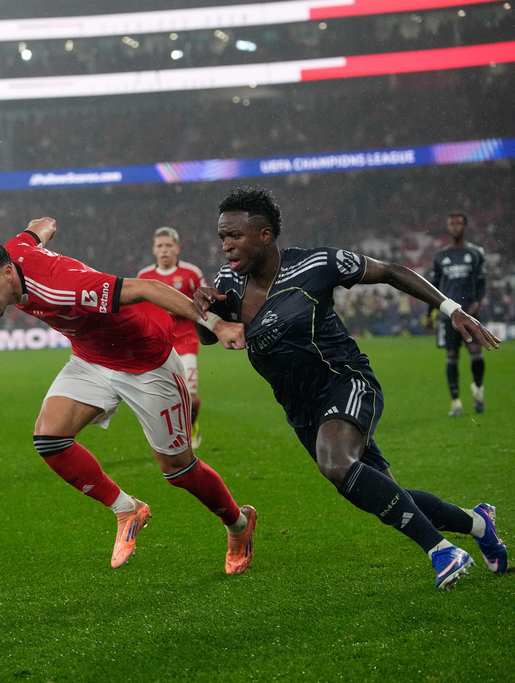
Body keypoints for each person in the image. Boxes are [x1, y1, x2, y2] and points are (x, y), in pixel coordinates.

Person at [193, 187, 506, 590]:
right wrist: (205, 310)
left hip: (345, 380)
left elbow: (391, 271)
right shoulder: (228, 282)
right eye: (222, 237)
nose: (226, 245)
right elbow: (209, 339)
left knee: (336, 462)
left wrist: (451, 309)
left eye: (235, 235)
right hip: (300, 409)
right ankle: (478, 523)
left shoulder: (316, 264)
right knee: (383, 493)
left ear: (265, 234)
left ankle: (442, 551)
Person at [0, 218, 257, 573]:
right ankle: (127, 509)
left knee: (178, 470)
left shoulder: (65, 288)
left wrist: (217, 325)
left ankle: (239, 524)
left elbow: (146, 287)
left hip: (145, 362)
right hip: (91, 359)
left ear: (7, 272)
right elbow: (41, 226)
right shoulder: (14, 251)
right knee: (49, 438)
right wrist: (45, 227)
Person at [138, 227, 207, 449]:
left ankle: (191, 427)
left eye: (168, 245)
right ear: (154, 250)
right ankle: (171, 435)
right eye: (160, 246)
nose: (164, 250)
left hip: (186, 341)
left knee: (191, 395)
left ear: (177, 248)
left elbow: (206, 299)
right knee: (161, 396)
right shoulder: (144, 276)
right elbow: (138, 309)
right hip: (157, 344)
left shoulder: (191, 273)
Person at [428, 211, 488, 416]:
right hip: (448, 314)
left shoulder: (476, 253)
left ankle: (478, 389)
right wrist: (430, 314)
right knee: (452, 355)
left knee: (475, 352)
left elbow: (481, 282)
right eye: (452, 224)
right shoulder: (441, 256)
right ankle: (455, 402)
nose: (455, 227)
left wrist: (477, 302)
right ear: (448, 227)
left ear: (465, 226)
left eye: (459, 223)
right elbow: (433, 287)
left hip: (470, 312)